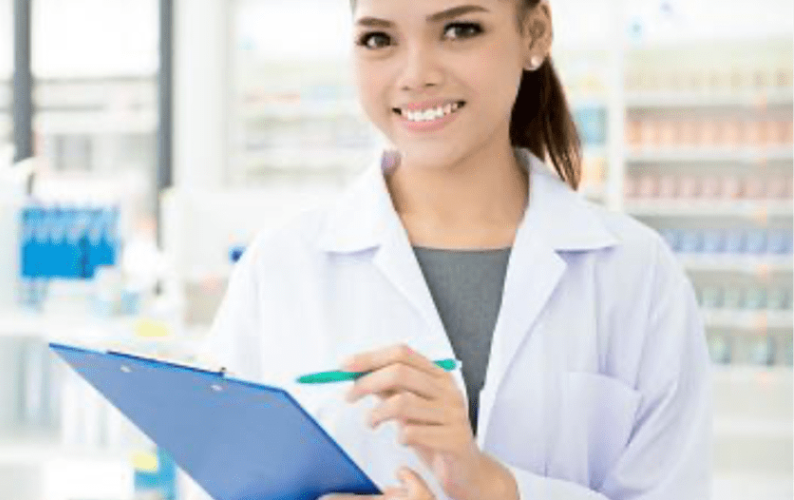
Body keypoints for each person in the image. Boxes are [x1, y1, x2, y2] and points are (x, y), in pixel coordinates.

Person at [195, 0, 712, 499]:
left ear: (535, 33)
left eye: (460, 30)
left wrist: (494, 488)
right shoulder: (282, 265)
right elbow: (219, 482)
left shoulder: (636, 272)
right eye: (379, 38)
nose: (416, 74)